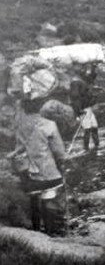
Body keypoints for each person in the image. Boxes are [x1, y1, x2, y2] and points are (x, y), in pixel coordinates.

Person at [11, 97, 66, 235]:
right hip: (48, 175)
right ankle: (49, 233)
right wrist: (62, 163)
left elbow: (19, 147)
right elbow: (59, 152)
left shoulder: (20, 125)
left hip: (27, 174)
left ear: (24, 108)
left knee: (33, 200)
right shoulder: (49, 124)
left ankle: (36, 231)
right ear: (40, 108)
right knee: (49, 200)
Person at [69, 71, 99, 153]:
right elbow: (75, 98)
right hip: (83, 110)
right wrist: (78, 110)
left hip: (88, 109)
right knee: (88, 129)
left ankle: (96, 146)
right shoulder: (76, 83)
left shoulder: (83, 83)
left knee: (94, 127)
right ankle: (86, 148)